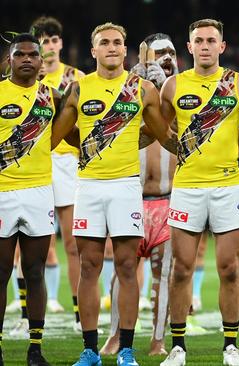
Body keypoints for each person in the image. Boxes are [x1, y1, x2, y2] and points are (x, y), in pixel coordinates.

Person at [50, 22, 175, 366]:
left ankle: (127, 350)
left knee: (125, 266)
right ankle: (89, 351)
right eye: (104, 43)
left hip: (124, 186)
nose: (111, 48)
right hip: (88, 185)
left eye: (117, 43)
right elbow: (58, 135)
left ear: (125, 49)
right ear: (94, 51)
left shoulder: (142, 88)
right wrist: (90, 146)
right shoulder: (79, 88)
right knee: (89, 266)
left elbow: (162, 134)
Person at [158, 18, 239, 366]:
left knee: (229, 268)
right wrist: (180, 147)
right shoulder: (174, 85)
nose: (205, 46)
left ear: (222, 46)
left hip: (228, 185)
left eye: (211, 40)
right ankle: (178, 347)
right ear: (189, 46)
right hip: (188, 187)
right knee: (181, 268)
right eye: (199, 40)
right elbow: (160, 126)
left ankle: (230, 345)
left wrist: (231, 143)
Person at [99, 32, 179, 357]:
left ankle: (158, 340)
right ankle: (115, 335)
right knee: (123, 271)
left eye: (172, 52)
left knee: (165, 276)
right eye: (160, 52)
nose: (167, 58)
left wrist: (165, 91)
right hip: (132, 195)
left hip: (168, 199)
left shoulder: (182, 92)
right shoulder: (130, 91)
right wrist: (139, 82)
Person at [0, 32, 62, 366]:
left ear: (41, 61)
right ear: (9, 60)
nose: (27, 59)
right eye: (20, 54)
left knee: (35, 272)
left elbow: (75, 134)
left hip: (39, 191)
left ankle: (35, 348)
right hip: (2, 192)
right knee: (0, 272)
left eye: (32, 55)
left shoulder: (53, 96)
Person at [32, 15, 85, 318]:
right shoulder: (27, 76)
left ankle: (80, 313)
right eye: (43, 40)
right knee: (30, 243)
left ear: (61, 43)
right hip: (35, 161)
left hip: (66, 162)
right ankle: (30, 313)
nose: (49, 46)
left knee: (74, 243)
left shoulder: (76, 78)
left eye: (53, 40)